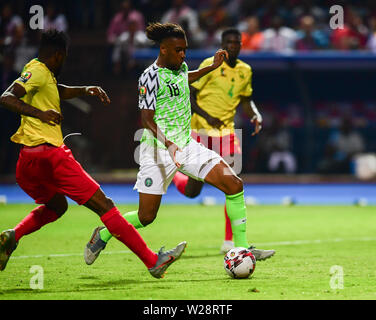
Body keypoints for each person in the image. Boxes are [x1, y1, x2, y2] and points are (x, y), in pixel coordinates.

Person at [0, 29, 186, 279]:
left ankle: (14, 235)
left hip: (27, 162)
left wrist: (84, 89)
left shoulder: (36, 71)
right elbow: (6, 97)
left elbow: (56, 90)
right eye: (64, 58)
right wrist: (40, 114)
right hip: (51, 156)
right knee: (105, 206)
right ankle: (153, 261)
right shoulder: (41, 72)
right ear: (58, 56)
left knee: (56, 206)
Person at [84, 23, 275, 265]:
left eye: (185, 49)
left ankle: (241, 248)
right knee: (146, 216)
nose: (183, 54)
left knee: (233, 184)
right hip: (156, 150)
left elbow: (185, 78)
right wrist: (170, 145)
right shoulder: (149, 76)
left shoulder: (180, 67)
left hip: (187, 144)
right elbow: (146, 119)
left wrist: (212, 68)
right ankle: (101, 234)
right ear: (163, 49)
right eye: (178, 50)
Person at [172, 28, 265, 253]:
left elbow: (246, 100)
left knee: (232, 185)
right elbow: (188, 94)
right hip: (200, 132)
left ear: (241, 45)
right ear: (222, 44)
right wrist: (206, 116)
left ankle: (229, 241)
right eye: (228, 42)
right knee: (194, 191)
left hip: (227, 134)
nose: (233, 45)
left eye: (236, 42)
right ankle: (177, 177)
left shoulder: (245, 70)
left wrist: (255, 114)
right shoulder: (210, 63)